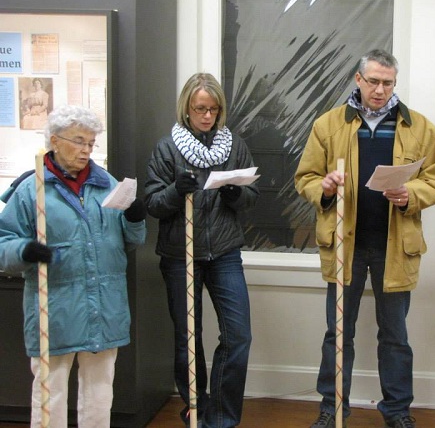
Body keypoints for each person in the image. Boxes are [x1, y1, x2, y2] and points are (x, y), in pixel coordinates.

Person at [295, 49, 435, 428]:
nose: (380, 90)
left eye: (388, 83)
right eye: (374, 81)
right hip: (344, 246)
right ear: (358, 79)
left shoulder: (421, 128)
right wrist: (326, 187)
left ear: (394, 83)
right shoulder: (328, 125)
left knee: (395, 335)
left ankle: (397, 412)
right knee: (338, 334)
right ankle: (332, 410)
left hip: (394, 248)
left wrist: (411, 195)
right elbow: (305, 178)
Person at [0, 105, 147, 428]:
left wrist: (135, 221)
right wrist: (24, 249)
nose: (86, 150)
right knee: (48, 395)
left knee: (99, 395)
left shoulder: (107, 185)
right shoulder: (32, 190)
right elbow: (3, 242)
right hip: (54, 309)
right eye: (79, 141)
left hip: (103, 308)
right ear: (54, 140)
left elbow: (129, 242)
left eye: (91, 143)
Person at [145, 72, 259, 428]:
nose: (207, 116)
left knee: (238, 336)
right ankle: (197, 409)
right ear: (187, 109)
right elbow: (152, 204)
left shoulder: (234, 145)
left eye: (213, 109)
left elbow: (252, 196)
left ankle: (221, 418)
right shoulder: (168, 148)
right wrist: (176, 192)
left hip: (224, 253)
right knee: (188, 340)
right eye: (200, 109)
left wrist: (235, 193)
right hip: (181, 256)